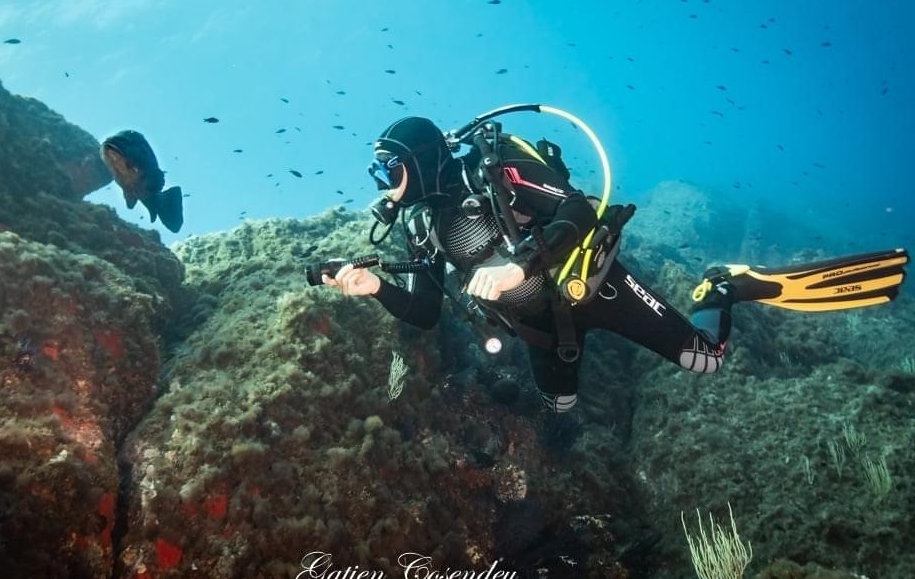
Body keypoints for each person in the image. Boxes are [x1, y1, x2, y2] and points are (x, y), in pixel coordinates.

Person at [322, 115, 908, 413]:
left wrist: (522, 266)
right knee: (561, 410)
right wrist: (376, 287)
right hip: (541, 332)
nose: (383, 184)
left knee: (707, 362)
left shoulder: (494, 169)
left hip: (596, 290)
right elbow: (425, 312)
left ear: (421, 162)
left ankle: (725, 286)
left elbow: (576, 208)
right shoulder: (421, 223)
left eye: (388, 168)